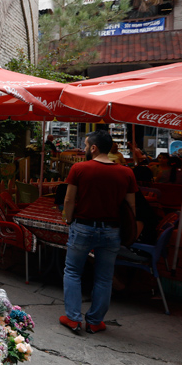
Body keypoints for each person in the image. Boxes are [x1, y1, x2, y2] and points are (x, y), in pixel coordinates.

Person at [60, 130, 137, 335]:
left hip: (83, 226)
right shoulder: (126, 172)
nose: (85, 148)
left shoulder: (79, 168)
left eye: (86, 145)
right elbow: (131, 207)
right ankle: (95, 321)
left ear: (93, 148)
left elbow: (69, 200)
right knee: (104, 277)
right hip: (112, 230)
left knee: (73, 271)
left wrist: (68, 219)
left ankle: (73, 318)